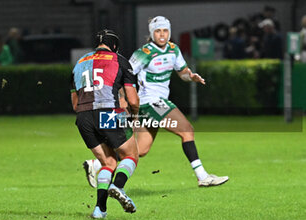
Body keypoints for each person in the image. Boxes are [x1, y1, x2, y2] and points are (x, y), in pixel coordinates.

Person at [83, 16, 229, 188]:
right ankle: (202, 176)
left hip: (155, 104)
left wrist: (190, 76)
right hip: (151, 102)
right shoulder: (144, 53)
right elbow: (123, 74)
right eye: (158, 31)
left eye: (165, 30)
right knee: (187, 130)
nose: (162, 34)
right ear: (152, 34)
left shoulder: (174, 49)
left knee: (140, 150)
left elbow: (182, 71)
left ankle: (97, 164)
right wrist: (122, 98)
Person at [72, 29, 140, 219]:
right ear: (115, 46)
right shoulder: (120, 60)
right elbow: (133, 100)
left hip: (84, 118)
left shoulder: (79, 63)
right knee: (131, 155)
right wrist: (134, 117)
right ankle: (118, 186)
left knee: (108, 162)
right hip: (109, 112)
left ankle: (99, 210)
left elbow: (75, 103)